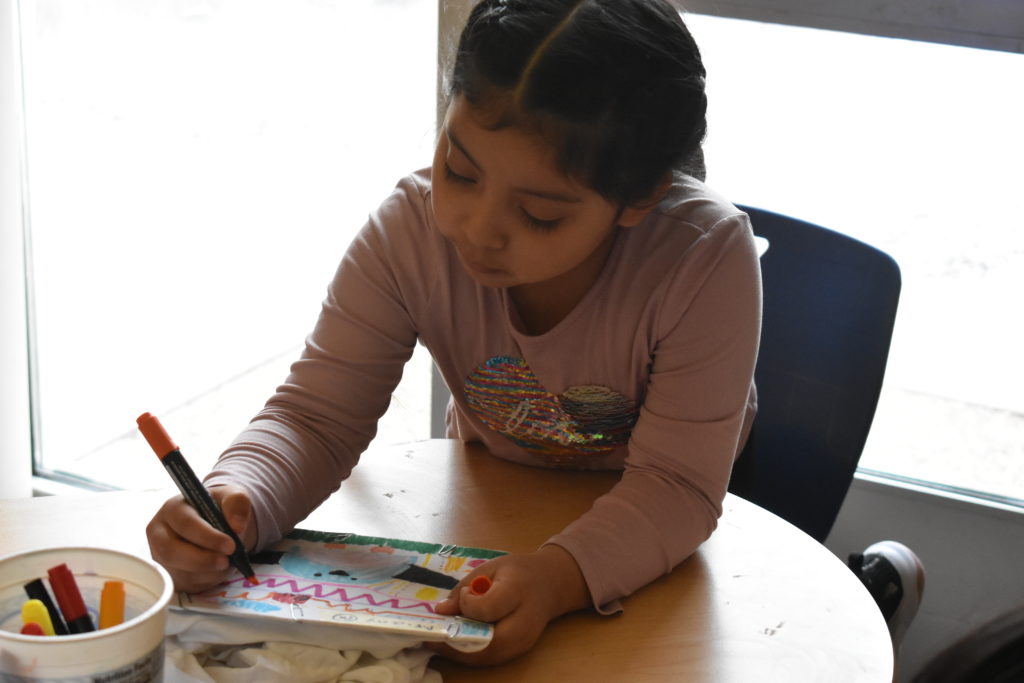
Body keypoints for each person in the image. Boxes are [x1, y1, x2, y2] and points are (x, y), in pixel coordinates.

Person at [145, 0, 762, 666]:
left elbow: (675, 486)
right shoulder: (410, 234)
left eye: (538, 214)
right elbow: (318, 417)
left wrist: (557, 578)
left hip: (653, 545)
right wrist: (240, 494)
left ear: (639, 200)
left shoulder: (704, 258)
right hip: (494, 506)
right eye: (460, 171)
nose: (475, 226)